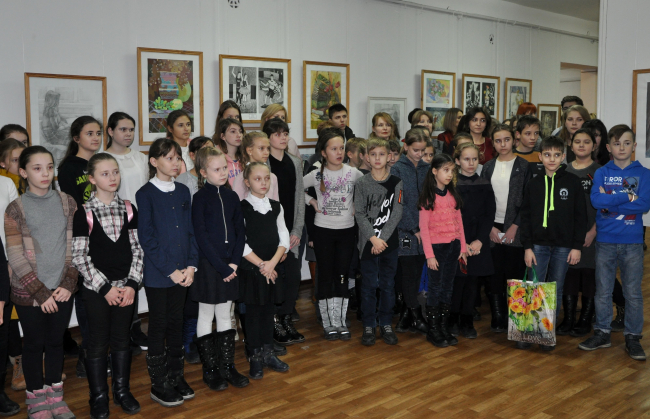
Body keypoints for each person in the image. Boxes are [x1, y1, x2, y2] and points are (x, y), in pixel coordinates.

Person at [6, 146, 78, 418]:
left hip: (62, 290)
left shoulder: (67, 202)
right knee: (34, 344)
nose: (45, 173)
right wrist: (40, 292)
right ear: (23, 172)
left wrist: (68, 283)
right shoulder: (15, 209)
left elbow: (77, 246)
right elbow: (15, 255)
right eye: (37, 168)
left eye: (49, 167)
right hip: (29, 292)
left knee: (56, 342)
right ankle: (36, 398)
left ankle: (55, 396)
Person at [71, 153, 143, 418]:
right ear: (92, 179)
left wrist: (132, 284)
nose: (112, 178)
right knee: (98, 342)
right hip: (97, 291)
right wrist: (105, 289)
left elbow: (137, 249)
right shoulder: (84, 213)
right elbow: (79, 256)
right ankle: (98, 395)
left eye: (115, 172)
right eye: (105, 174)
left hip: (126, 288)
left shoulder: (129, 208)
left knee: (122, 339)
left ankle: (122, 391)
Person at [579, 125, 650, 361]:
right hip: (605, 241)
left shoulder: (644, 174)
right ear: (609, 147)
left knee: (632, 292)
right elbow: (597, 202)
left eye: (627, 143)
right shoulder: (601, 172)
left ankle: (633, 337)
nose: (622, 148)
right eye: (617, 144)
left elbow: (643, 205)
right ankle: (602, 332)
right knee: (603, 290)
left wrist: (610, 200)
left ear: (634, 146)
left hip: (632, 242)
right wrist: (627, 196)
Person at [136, 138, 198, 407]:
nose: (175, 163)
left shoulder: (183, 191)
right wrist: (171, 271)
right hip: (160, 274)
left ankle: (176, 375)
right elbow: (147, 238)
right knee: (159, 325)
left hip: (184, 271)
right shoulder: (145, 194)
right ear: (154, 161)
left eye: (177, 158)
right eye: (169, 158)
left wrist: (191, 266)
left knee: (177, 323)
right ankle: (158, 382)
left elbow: (191, 231)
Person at [519, 136, 587, 351]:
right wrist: (527, 247)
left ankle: (546, 332)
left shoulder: (572, 182)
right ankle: (529, 331)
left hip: (563, 247)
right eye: (547, 155)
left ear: (563, 157)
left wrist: (576, 246)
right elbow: (525, 217)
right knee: (534, 288)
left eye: (557, 155)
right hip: (537, 246)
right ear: (540, 157)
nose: (552, 159)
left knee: (554, 290)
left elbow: (581, 217)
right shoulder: (533, 183)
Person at [190, 147, 249, 391]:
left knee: (225, 314)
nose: (223, 172)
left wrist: (234, 263)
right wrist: (221, 267)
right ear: (203, 172)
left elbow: (240, 231)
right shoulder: (200, 198)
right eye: (217, 169)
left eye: (225, 168)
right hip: (209, 265)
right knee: (206, 314)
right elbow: (201, 236)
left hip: (230, 265)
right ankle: (211, 369)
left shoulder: (232, 196)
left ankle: (227, 366)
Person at [304, 127, 363, 340]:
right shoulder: (316, 174)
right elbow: (295, 189)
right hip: (323, 232)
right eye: (333, 149)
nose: (339, 152)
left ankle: (340, 321)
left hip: (346, 232)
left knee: (342, 275)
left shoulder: (353, 173)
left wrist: (357, 205)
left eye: (341, 148)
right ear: (323, 152)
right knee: (326, 276)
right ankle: (328, 323)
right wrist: (311, 200)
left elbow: (367, 190)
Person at [57, 115, 102, 378]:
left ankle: (97, 351)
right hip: (81, 236)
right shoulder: (69, 168)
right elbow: (72, 206)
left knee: (98, 296)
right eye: (89, 133)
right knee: (85, 296)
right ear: (76, 138)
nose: (95, 138)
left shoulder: (100, 162)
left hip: (103, 233)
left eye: (98, 133)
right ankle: (87, 357)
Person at [239, 162, 290, 379]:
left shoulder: (276, 207)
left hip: (272, 269)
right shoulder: (241, 208)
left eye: (266, 178)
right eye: (257, 179)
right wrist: (262, 265)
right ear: (247, 182)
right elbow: (241, 243)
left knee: (269, 311)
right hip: (252, 270)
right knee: (253, 314)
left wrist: (272, 264)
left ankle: (268, 353)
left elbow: (284, 237)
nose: (263, 183)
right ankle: (255, 356)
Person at [104, 112, 150, 354]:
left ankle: (135, 328)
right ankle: (121, 332)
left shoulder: (141, 158)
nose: (128, 133)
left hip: (141, 221)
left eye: (131, 129)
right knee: (121, 274)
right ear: (111, 131)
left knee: (136, 274)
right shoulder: (105, 159)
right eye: (123, 129)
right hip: (116, 223)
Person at [480, 124, 530, 333]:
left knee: (514, 273)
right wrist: (490, 227)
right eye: (498, 141)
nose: (503, 144)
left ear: (514, 141)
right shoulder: (488, 166)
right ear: (493, 143)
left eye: (507, 140)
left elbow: (528, 200)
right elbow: (482, 200)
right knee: (494, 273)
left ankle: (514, 316)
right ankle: (497, 315)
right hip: (492, 226)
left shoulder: (524, 166)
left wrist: (515, 226)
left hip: (515, 227)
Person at [355, 138, 403, 346]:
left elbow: (397, 212)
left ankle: (385, 323)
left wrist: (382, 239)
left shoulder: (396, 182)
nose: (377, 158)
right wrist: (373, 238)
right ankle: (368, 324)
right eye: (373, 154)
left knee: (387, 285)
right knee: (368, 286)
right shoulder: (361, 183)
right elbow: (359, 213)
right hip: (368, 243)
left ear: (389, 157)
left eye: (381, 154)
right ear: (367, 157)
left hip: (389, 243)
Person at [418, 154, 468, 348]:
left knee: (448, 288)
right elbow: (424, 229)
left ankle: (443, 326)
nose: (449, 174)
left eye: (452, 171)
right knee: (435, 288)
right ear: (434, 171)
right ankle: (433, 329)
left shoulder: (453, 195)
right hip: (436, 250)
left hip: (453, 247)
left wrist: (462, 247)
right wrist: (429, 255)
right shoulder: (428, 197)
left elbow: (459, 222)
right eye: (446, 170)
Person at [263, 119, 305, 345]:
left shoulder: (295, 162)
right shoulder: (263, 163)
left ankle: (287, 319)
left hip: (292, 231)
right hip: (273, 232)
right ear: (268, 137)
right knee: (275, 279)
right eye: (277, 134)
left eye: (285, 133)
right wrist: (276, 234)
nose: (283, 137)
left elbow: (299, 197)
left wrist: (297, 229)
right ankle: (274, 322)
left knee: (294, 278)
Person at [451, 142, 495, 339]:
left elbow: (489, 214)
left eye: (474, 159)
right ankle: (452, 319)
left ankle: (467, 321)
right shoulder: (452, 185)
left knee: (472, 282)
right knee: (456, 281)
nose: (471, 163)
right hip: (457, 240)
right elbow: (449, 217)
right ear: (457, 161)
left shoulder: (484, 183)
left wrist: (480, 240)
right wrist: (462, 243)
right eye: (466, 159)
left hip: (477, 241)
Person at [561, 129, 600, 338]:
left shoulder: (600, 171)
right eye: (577, 141)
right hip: (569, 235)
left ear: (594, 146)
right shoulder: (564, 171)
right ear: (571, 144)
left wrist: (593, 232)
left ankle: (585, 318)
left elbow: (607, 208)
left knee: (589, 275)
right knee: (569, 275)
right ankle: (568, 318)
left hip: (593, 233)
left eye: (586, 142)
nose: (582, 145)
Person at [390, 128, 429, 335]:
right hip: (405, 231)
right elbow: (398, 203)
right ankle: (416, 314)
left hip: (425, 231)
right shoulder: (397, 169)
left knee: (416, 273)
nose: (419, 154)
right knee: (407, 273)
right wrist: (414, 228)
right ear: (405, 147)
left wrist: (425, 227)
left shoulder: (427, 169)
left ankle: (406, 316)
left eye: (423, 150)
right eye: (415, 150)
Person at [232, 132, 278, 201]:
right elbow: (237, 204)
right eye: (261, 148)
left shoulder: (272, 177)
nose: (266, 152)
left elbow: (276, 203)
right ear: (249, 150)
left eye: (268, 148)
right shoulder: (241, 179)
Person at [175, 136, 215, 201]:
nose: (209, 155)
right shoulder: (182, 180)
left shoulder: (217, 177)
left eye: (212, 151)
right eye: (204, 152)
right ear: (192, 155)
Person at [212, 118, 244, 185]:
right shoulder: (214, 156)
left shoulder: (245, 156)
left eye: (240, 131)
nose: (239, 135)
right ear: (222, 136)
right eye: (233, 132)